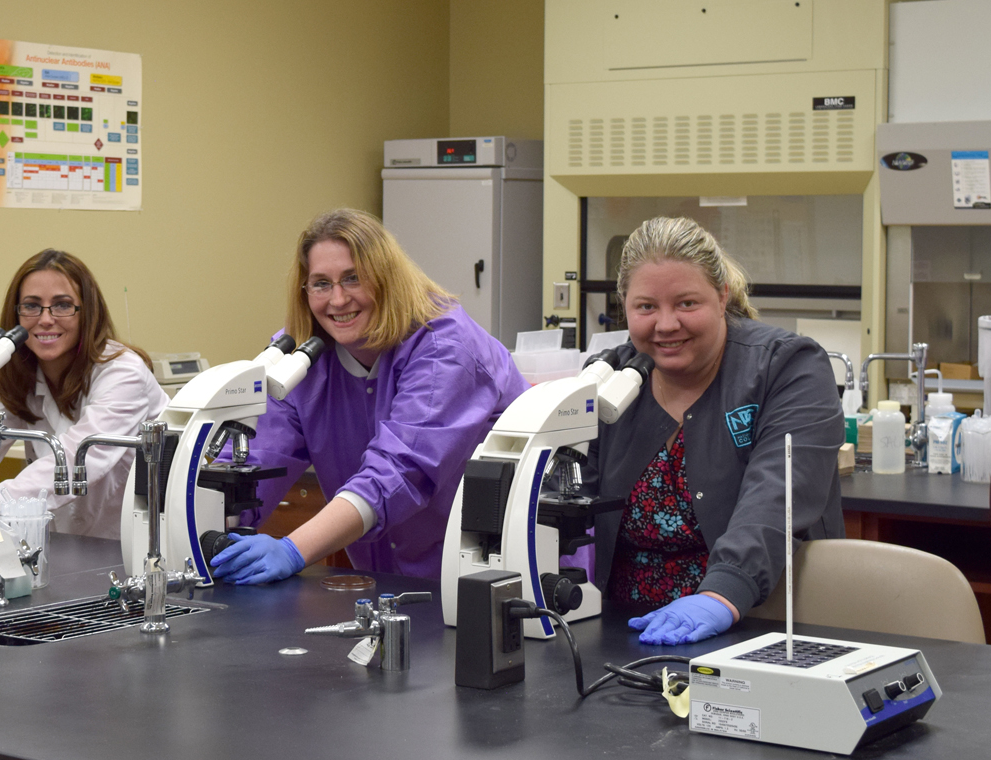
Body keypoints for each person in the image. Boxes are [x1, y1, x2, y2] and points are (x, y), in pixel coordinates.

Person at [209, 209, 529, 585]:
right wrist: (207, 521)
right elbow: (256, 458)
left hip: (485, 572)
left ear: (387, 279)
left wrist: (292, 550)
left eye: (353, 279)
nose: (338, 299)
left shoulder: (445, 345)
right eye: (321, 284)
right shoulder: (302, 355)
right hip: (383, 579)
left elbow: (399, 472)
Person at [588, 216, 844, 646]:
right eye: (646, 307)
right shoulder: (612, 379)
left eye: (687, 303)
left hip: (759, 625)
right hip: (626, 634)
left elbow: (777, 492)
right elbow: (568, 497)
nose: (666, 325)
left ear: (722, 295)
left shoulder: (787, 367)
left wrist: (722, 595)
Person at [0, 249, 167, 539]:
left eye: (62, 305)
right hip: (66, 541)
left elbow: (74, 460)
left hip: (135, 538)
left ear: (87, 312)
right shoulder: (21, 374)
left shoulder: (123, 372)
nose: (46, 319)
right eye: (32, 306)